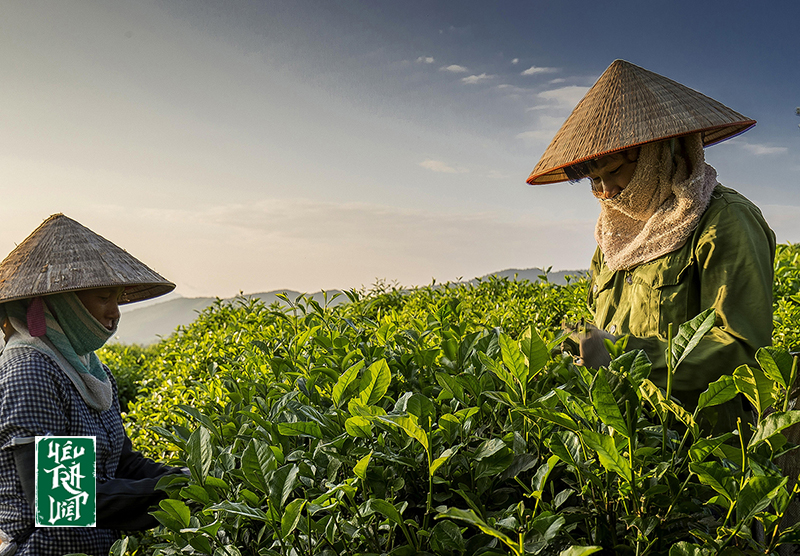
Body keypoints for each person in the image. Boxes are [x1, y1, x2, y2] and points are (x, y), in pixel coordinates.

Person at [527, 60, 776, 433]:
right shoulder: (614, 238)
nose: (606, 192)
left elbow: (741, 348)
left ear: (659, 153)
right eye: (594, 180)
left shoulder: (725, 221)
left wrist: (623, 353)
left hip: (700, 452)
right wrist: (585, 343)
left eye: (613, 171)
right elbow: (610, 327)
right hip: (628, 443)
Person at [0, 214, 183, 555]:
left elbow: (121, 462)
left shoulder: (89, 369)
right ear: (61, 299)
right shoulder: (31, 371)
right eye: (103, 298)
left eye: (117, 298)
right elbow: (64, 500)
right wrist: (172, 491)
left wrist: (185, 477)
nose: (115, 312)